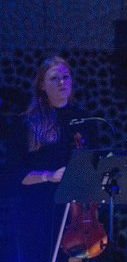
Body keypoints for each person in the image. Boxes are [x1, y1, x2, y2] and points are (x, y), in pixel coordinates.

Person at [5, 56, 97, 262]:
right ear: (42, 85)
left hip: (76, 214)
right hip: (38, 210)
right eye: (55, 78)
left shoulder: (84, 120)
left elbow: (93, 164)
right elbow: (12, 174)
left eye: (66, 77)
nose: (62, 83)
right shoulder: (27, 123)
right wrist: (49, 176)